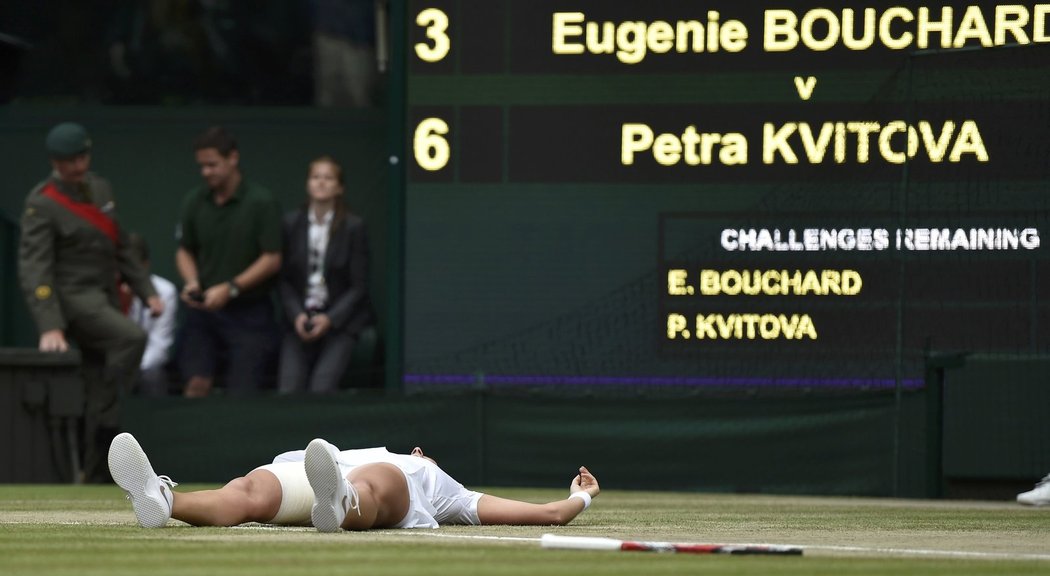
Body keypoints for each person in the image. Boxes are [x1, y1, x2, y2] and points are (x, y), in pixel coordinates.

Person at [18, 122, 163, 482]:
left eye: (84, 156)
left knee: (98, 390)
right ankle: (108, 412)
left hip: (105, 297)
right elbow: (35, 268)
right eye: (71, 160)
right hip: (74, 299)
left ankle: (94, 469)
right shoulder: (42, 203)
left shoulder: (100, 188)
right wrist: (50, 323)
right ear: (56, 162)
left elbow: (121, 247)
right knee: (131, 337)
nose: (79, 165)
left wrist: (146, 291)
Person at [108, 433, 600, 530]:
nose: (420, 452)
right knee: (246, 493)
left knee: (373, 481)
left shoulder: (439, 482)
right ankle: (164, 498)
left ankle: (343, 502)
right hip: (309, 470)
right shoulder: (341, 453)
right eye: (418, 452)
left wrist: (579, 499)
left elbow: (548, 515)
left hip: (377, 490)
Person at [175, 126, 282, 397]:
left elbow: (272, 258)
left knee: (242, 391)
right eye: (202, 166)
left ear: (232, 158)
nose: (206, 172)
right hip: (204, 312)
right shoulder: (194, 201)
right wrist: (192, 283)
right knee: (196, 384)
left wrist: (231, 288)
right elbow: (184, 250)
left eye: (212, 164)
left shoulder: (261, 202)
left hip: (250, 313)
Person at [278, 156, 373, 394]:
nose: (321, 183)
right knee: (288, 389)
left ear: (339, 187)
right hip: (300, 322)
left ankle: (319, 434)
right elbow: (284, 280)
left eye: (328, 178)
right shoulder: (291, 224)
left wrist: (330, 319)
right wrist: (297, 315)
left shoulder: (353, 227)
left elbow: (358, 286)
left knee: (322, 387)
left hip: (340, 324)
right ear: (307, 184)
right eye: (315, 177)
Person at [120, 233, 178, 395]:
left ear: (145, 265)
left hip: (144, 366)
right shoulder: (102, 290)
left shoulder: (165, 292)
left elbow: (160, 345)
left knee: (152, 376)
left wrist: (133, 368)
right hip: (110, 364)